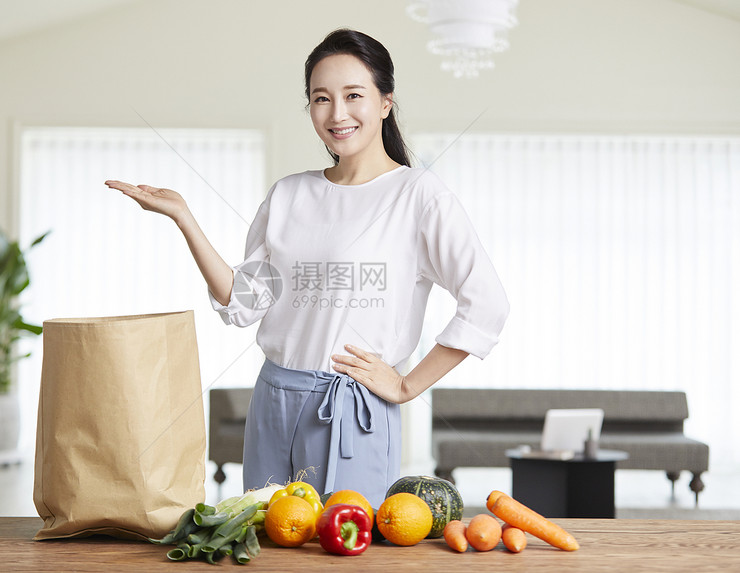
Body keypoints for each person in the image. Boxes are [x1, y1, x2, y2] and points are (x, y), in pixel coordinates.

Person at [105, 28, 509, 507]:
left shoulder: (419, 196)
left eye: (353, 95)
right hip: (273, 399)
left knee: (341, 551)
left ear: (385, 102)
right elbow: (243, 302)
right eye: (321, 98)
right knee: (262, 539)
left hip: (351, 411)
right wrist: (183, 217)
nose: (337, 113)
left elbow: (486, 304)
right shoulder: (289, 194)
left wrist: (405, 385)